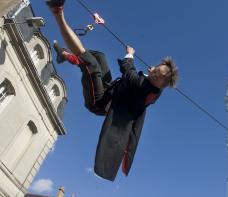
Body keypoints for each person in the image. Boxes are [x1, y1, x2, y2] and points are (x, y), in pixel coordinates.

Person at [46, 0, 179, 181]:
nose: (152, 72)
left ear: (160, 85)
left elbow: (128, 71)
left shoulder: (145, 89)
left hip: (99, 102)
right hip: (112, 90)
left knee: (91, 64)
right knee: (100, 57)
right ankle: (69, 57)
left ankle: (57, 12)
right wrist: (154, 75)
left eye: (156, 75)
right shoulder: (151, 85)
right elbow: (148, 79)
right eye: (154, 69)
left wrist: (130, 54)